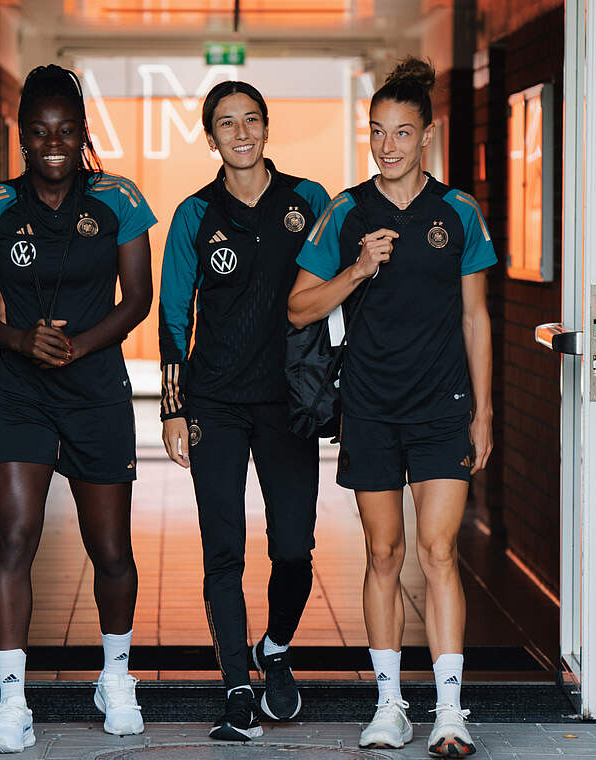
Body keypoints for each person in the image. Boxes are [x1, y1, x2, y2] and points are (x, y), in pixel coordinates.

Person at [287, 57, 496, 758]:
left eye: (401, 133)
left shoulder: (458, 211)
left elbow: (476, 319)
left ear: (427, 137)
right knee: (383, 553)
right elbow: (296, 309)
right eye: (377, 132)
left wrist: (485, 413)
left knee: (438, 552)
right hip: (371, 408)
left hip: (442, 407)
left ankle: (448, 712)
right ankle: (389, 705)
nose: (387, 146)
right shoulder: (346, 212)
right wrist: (358, 268)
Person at [0, 64, 156, 753]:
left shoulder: (118, 200)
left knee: (110, 549)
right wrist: (21, 340)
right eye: (39, 132)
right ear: (21, 136)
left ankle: (117, 679)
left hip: (96, 388)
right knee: (14, 534)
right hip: (22, 391)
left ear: (83, 134)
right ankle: (13, 704)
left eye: (66, 131)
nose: (53, 144)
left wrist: (77, 347)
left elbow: (137, 299)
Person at [158, 81, 330, 742]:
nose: (240, 133)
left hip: (289, 402)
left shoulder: (308, 200)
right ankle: (236, 685)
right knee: (222, 547)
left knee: (293, 548)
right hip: (216, 402)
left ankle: (275, 650)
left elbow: (337, 291)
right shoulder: (194, 215)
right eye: (226, 123)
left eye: (250, 120)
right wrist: (174, 409)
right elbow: (174, 317)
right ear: (211, 137)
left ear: (266, 128)